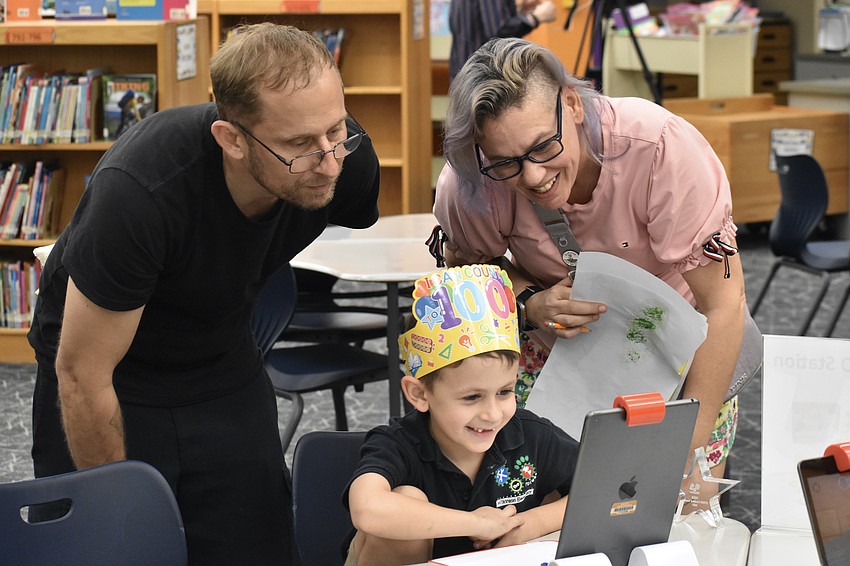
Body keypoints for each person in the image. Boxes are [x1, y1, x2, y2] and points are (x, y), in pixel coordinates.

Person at [27, 23, 380, 565]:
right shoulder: (141, 194)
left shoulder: (342, 159)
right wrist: (118, 513)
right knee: (116, 545)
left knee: (256, 541)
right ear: (231, 139)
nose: (329, 160)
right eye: (298, 146)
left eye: (336, 131)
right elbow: (81, 376)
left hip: (218, 353)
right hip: (109, 371)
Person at [434, 37, 756, 486]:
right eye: (506, 162)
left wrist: (687, 443)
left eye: (543, 146)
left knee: (679, 512)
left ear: (573, 104)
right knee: (542, 505)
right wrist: (529, 301)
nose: (532, 177)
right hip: (552, 358)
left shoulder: (660, 148)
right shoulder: (471, 179)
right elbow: (467, 278)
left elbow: (723, 303)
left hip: (681, 354)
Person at [345, 264, 579, 566]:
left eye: (505, 392)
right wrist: (478, 524)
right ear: (419, 394)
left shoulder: (532, 435)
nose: (493, 414)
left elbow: (602, 486)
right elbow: (368, 509)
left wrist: (532, 522)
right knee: (406, 498)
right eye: (472, 397)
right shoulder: (398, 444)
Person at [449, 0, 557, 81]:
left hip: (463, 78)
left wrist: (518, 13)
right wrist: (536, 17)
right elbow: (499, 31)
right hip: (486, 79)